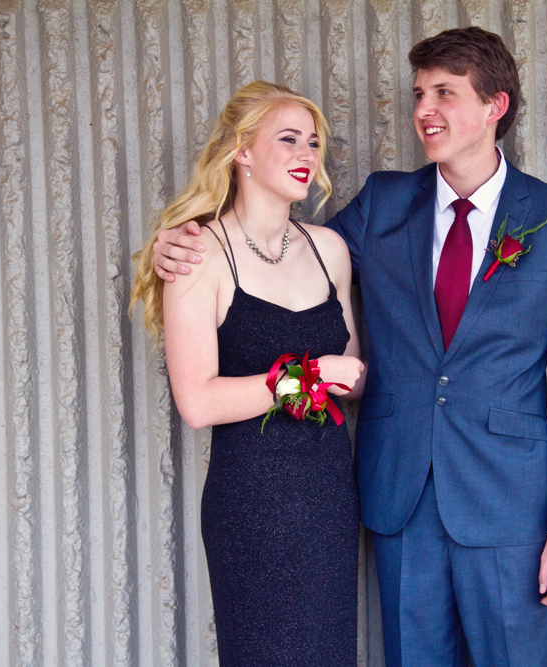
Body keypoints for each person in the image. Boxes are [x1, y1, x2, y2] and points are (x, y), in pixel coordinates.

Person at [154, 27, 547, 667]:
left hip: (512, 509)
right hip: (400, 503)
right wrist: (177, 244)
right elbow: (281, 257)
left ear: (495, 106)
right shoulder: (382, 206)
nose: (425, 110)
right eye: (419, 94)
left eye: (444, 93)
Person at [130, 81, 365, 666]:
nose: (306, 154)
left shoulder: (330, 249)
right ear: (242, 151)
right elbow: (197, 402)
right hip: (251, 500)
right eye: (288, 139)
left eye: (313, 142)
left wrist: (342, 376)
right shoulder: (197, 254)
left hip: (329, 496)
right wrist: (308, 377)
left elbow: (353, 376)